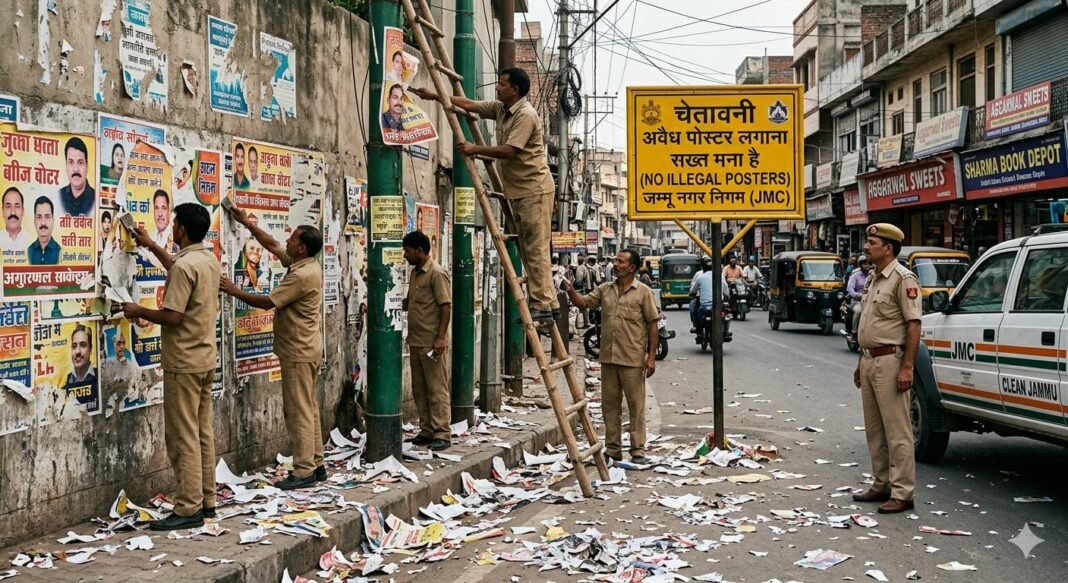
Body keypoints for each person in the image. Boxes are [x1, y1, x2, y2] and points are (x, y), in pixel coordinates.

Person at [411, 67, 558, 322]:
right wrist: (435, 95)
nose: (498, 88)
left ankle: (543, 305)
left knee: (534, 250)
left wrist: (474, 149)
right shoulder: (502, 108)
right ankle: (550, 302)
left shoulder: (525, 114)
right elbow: (470, 104)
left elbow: (510, 150)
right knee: (528, 249)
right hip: (519, 190)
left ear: (515, 90)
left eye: (502, 84)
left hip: (534, 188)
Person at [122, 203, 220, 530]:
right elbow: (177, 268)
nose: (173, 227)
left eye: (175, 223)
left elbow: (173, 316)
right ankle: (206, 501)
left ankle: (188, 506)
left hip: (183, 362)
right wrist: (151, 245)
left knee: (182, 436)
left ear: (182, 230)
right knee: (202, 432)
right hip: (204, 359)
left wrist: (139, 311)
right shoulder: (206, 259)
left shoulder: (186, 265)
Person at [220, 206, 327, 489]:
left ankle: (304, 470)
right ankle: (316, 463)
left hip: (298, 350)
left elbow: (268, 302)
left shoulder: (301, 275)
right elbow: (273, 245)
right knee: (309, 407)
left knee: (298, 411)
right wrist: (247, 224)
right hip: (306, 347)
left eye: (293, 239)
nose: (288, 242)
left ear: (302, 248)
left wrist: (233, 290)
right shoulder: (306, 264)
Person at [563, 249, 658, 464]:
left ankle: (638, 451)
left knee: (636, 407)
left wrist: (650, 357)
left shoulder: (643, 292)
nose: (616, 264)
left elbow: (653, 324)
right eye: (616, 260)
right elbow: (583, 303)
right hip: (608, 359)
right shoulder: (605, 290)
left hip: (632, 359)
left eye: (621, 262)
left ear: (632, 268)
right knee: (610, 407)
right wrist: (569, 289)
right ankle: (613, 449)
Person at [853, 223, 922, 515]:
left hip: (890, 361)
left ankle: (903, 492)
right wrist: (860, 362)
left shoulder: (903, 279)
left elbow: (914, 324)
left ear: (888, 248)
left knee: (897, 430)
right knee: (874, 429)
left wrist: (907, 367)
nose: (866, 247)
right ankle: (881, 483)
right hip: (869, 360)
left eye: (872, 242)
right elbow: (868, 323)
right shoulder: (872, 278)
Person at [402, 230, 452, 451]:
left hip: (432, 342)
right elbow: (411, 302)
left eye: (408, 251)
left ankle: (442, 432)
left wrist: (440, 337)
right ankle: (427, 430)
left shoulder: (436, 273)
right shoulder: (415, 274)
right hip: (416, 340)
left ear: (420, 251)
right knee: (419, 388)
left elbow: (446, 306)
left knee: (436, 388)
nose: (406, 255)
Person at [690, 258, 729, 333]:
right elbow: (726, 289)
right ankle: (696, 326)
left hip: (705, 305)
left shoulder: (701, 277)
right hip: (716, 304)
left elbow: (692, 290)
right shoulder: (699, 275)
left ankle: (699, 328)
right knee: (693, 306)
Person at [59, 137, 95, 217]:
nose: (75, 169)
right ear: (66, 165)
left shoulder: (96, 198)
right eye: (71, 162)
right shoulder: (58, 196)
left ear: (87, 166)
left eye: (80, 162)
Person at [62, 324, 98, 397]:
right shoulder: (65, 384)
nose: (77, 351)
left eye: (83, 345)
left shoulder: (100, 376)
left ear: (90, 349)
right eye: (74, 346)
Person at [27, 196, 61, 265]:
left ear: (53, 220)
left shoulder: (60, 251)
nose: (43, 223)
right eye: (39, 217)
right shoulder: (28, 251)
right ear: (34, 220)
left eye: (47, 217)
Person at [2, 187, 31, 262]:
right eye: (8, 207)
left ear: (23, 211)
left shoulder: (31, 242)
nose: (13, 212)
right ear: (3, 211)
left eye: (17, 206)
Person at [846, 254, 872, 336]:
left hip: (870, 301)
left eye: (868, 264)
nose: (867, 266)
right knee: (858, 311)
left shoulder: (873, 276)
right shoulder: (855, 276)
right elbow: (850, 289)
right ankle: (854, 332)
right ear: (860, 265)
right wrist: (857, 295)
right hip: (857, 301)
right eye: (864, 264)